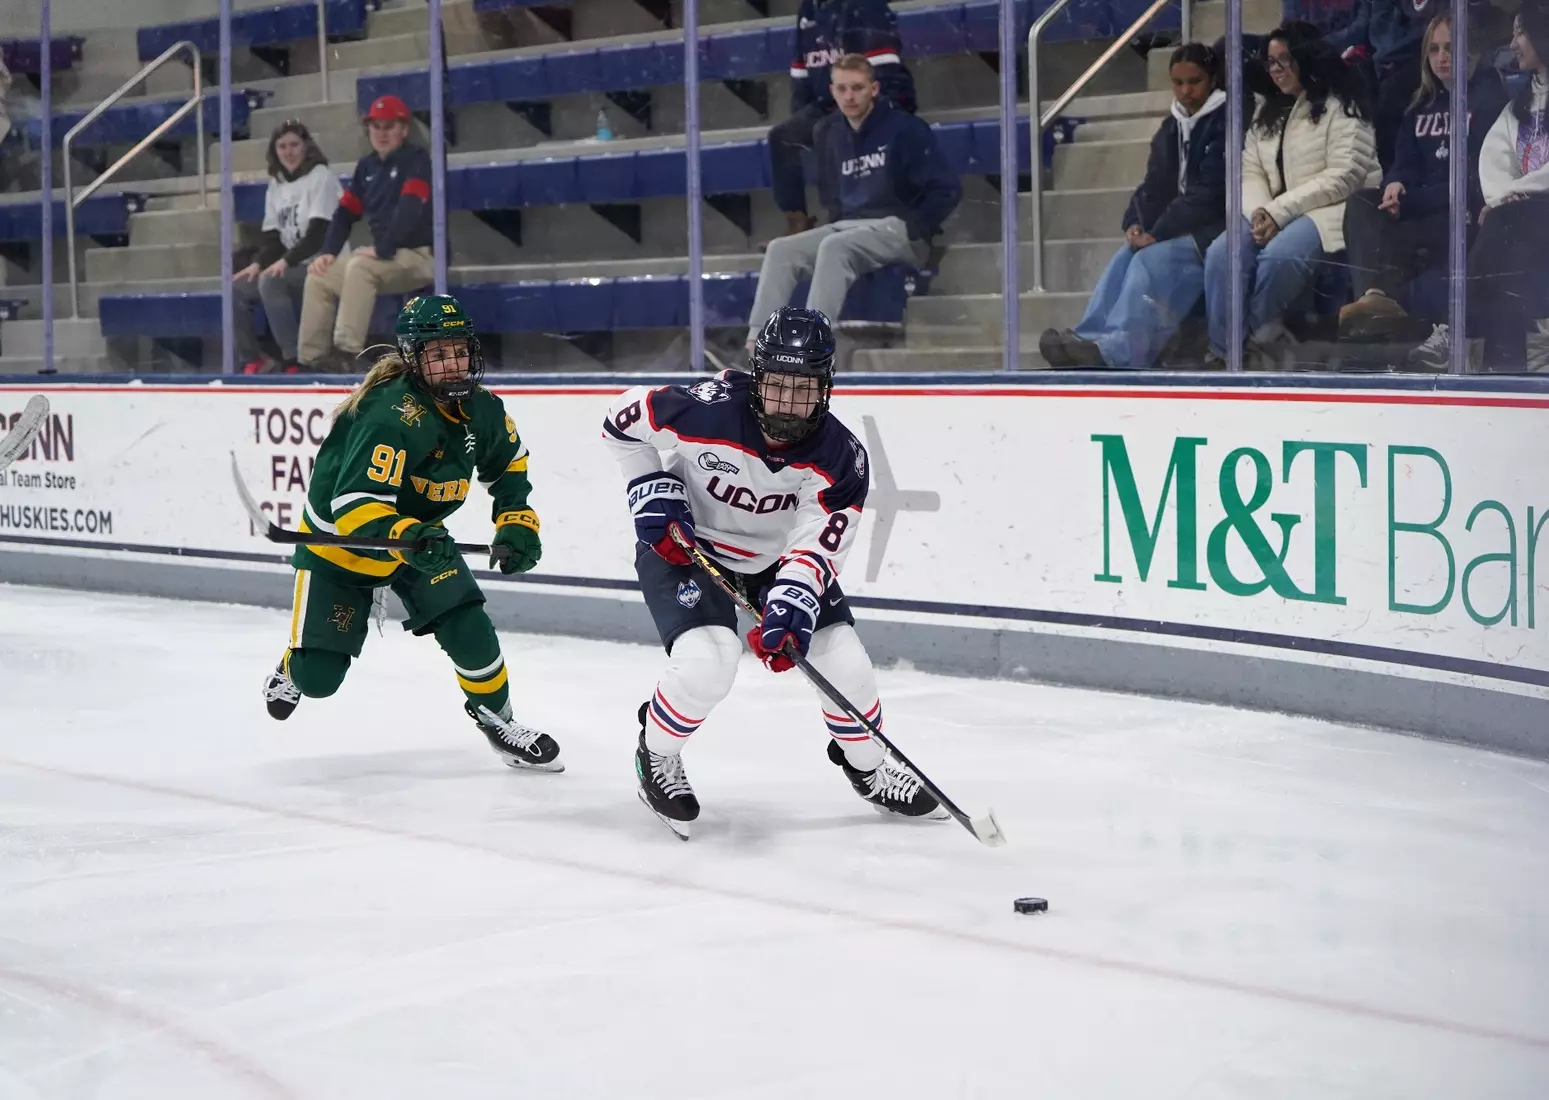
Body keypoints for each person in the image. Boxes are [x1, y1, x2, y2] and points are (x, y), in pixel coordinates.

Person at [603, 306, 943, 838]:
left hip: (776, 561)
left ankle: (869, 768)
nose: (788, 404)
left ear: (826, 387)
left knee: (846, 667)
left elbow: (816, 546)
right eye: (777, 386)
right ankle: (656, 753)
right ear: (757, 377)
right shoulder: (704, 408)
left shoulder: (841, 457)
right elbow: (620, 426)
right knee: (707, 665)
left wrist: (791, 605)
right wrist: (651, 489)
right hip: (687, 548)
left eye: (803, 388)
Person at [261, 294, 560, 771]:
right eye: (438, 354)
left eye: (458, 350)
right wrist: (413, 535)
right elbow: (355, 506)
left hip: (420, 542)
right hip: (345, 548)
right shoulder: (388, 415)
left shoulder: (481, 408)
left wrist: (516, 518)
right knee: (319, 678)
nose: (452, 363)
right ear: (414, 357)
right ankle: (293, 665)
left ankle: (498, 720)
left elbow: (509, 465)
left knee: (470, 626)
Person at [745, 55, 959, 355]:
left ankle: (811, 347)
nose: (849, 96)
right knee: (782, 249)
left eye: (857, 88)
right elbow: (832, 193)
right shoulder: (827, 131)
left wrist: (915, 228)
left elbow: (946, 189)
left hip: (896, 227)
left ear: (874, 89)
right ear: (832, 91)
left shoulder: (905, 129)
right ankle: (759, 345)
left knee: (835, 247)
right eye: (842, 89)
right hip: (847, 226)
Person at [1040, 44, 1229, 369]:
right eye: (1178, 83)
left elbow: (1209, 195)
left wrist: (1158, 233)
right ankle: (1089, 338)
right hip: (1178, 227)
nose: (1186, 91)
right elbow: (1153, 185)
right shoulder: (1172, 126)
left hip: (1213, 232)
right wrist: (1136, 223)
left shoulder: (1226, 121)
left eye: (1194, 82)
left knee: (1149, 262)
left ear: (1212, 80)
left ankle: (1119, 351)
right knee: (1125, 256)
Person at [1202, 24, 1378, 366]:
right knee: (1221, 254)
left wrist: (1278, 213)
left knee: (1279, 258)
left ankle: (1255, 341)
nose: (1277, 69)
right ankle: (1225, 353)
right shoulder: (1267, 111)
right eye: (1271, 62)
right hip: (1270, 212)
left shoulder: (1342, 104)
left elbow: (1345, 175)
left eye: (1286, 59)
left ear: (1307, 58)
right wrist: (1260, 213)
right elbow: (1248, 170)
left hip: (1330, 208)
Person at [1338, 13, 1509, 342]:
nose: (1442, 58)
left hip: (1459, 213)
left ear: (1470, 51)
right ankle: (1375, 299)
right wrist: (1396, 183)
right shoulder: (1421, 105)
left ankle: (1377, 312)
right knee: (1361, 201)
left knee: (1395, 237)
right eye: (1434, 50)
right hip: (1417, 206)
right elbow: (1405, 161)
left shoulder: (1490, 101)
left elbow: (1473, 181)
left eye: (1449, 48)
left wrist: (1409, 200)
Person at [1416, 3, 1549, 371]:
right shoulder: (1521, 101)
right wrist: (1504, 197)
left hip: (1536, 210)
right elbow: (1495, 157)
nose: (1513, 43)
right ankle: (1499, 363)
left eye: (1521, 32)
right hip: (1521, 215)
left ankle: (1453, 329)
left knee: (1503, 225)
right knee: (1502, 237)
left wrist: (1512, 196)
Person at [298, 95, 434, 373]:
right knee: (319, 275)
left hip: (419, 256)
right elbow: (345, 213)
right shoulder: (367, 167)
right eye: (376, 127)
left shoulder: (417, 160)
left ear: (404, 129)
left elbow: (410, 209)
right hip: (385, 258)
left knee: (360, 266)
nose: (381, 133)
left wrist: (382, 247)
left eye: (389, 126)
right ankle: (313, 359)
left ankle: (348, 353)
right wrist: (328, 252)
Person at [769, 0, 916, 241]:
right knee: (784, 137)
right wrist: (803, 119)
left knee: (830, 131)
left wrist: (867, 108)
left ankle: (842, 220)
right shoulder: (808, 10)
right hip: (829, 103)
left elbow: (885, 73)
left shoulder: (866, 6)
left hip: (876, 99)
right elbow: (801, 78)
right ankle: (797, 223)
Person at [234, 121, 340, 374]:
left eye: (294, 144)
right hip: (293, 265)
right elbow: (272, 238)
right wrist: (258, 263)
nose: (288, 151)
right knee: (237, 288)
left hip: (324, 264)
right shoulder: (276, 185)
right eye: (282, 146)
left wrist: (284, 262)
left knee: (271, 281)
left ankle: (294, 360)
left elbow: (317, 235)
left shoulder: (321, 177)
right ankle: (252, 359)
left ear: (306, 146)